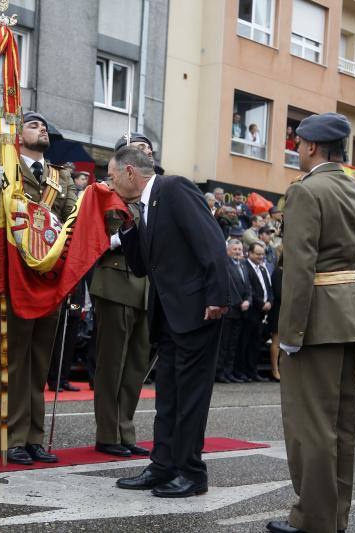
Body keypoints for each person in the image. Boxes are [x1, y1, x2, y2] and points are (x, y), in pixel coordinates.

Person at [268, 112, 355, 533]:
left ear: (312, 147)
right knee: (342, 426)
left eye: (298, 144)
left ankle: (314, 519)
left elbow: (299, 268)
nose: (297, 150)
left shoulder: (307, 192)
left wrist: (290, 332)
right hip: (349, 319)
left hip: (314, 322)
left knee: (309, 426)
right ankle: (336, 517)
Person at [109, 145, 231, 498]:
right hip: (169, 316)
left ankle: (192, 473)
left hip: (198, 311)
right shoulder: (144, 207)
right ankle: (163, 466)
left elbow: (211, 241)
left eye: (113, 175)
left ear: (131, 172)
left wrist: (216, 296)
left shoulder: (174, 189)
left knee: (190, 397)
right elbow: (142, 266)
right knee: (169, 397)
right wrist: (130, 227)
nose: (110, 182)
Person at [0, 111, 76, 466]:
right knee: (13, 360)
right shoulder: (1, 167)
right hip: (13, 276)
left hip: (48, 277)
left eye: (44, 125)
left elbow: (73, 219)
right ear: (17, 136)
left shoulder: (62, 177)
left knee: (39, 362)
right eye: (32, 124)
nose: (41, 127)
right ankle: (13, 437)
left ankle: (34, 438)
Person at [90, 144, 152, 458]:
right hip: (114, 284)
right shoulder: (103, 196)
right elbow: (96, 238)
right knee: (112, 364)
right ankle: (107, 433)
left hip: (142, 288)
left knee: (135, 365)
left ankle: (125, 430)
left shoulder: (146, 199)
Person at [217, 239, 250, 384]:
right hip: (229, 311)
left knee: (233, 345)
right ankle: (220, 372)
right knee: (224, 345)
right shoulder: (225, 265)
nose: (238, 252)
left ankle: (229, 372)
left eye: (239, 249)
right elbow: (229, 286)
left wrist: (248, 300)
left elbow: (248, 286)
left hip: (242, 312)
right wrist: (238, 301)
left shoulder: (243, 265)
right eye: (235, 249)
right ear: (228, 250)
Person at [238, 241, 272, 383]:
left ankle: (252, 371)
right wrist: (261, 303)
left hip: (261, 314)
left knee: (255, 344)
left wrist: (270, 301)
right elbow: (249, 289)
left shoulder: (263, 269)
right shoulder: (245, 267)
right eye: (258, 254)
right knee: (244, 344)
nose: (261, 257)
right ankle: (242, 372)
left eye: (262, 254)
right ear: (250, 253)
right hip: (250, 312)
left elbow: (268, 288)